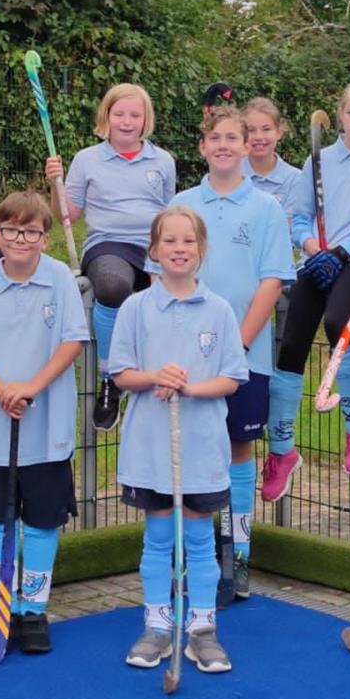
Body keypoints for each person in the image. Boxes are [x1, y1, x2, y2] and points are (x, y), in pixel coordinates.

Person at [110, 205, 249, 674]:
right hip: (150, 447)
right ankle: (156, 625)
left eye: (188, 241)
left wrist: (189, 387)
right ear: (153, 249)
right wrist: (155, 377)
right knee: (158, 537)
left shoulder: (219, 309)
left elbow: (232, 377)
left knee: (198, 537)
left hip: (202, 446)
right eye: (169, 241)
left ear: (202, 249)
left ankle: (202, 629)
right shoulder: (135, 307)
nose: (179, 249)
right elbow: (121, 373)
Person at [0, 191, 90, 653]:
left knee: (42, 520)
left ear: (45, 239)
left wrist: (31, 386)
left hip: (47, 427)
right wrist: (0, 390)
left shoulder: (60, 279)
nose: (20, 239)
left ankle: (33, 609)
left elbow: (72, 341)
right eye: (11, 230)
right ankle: (2, 606)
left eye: (31, 232)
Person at [170, 105, 290, 599]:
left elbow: (272, 280)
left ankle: (238, 554)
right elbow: (164, 278)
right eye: (214, 138)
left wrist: (238, 343)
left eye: (231, 138)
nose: (223, 145)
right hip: (187, 361)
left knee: (239, 449)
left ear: (246, 146)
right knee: (191, 450)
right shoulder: (182, 204)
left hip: (245, 356)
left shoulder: (266, 208)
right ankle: (193, 557)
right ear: (202, 147)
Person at [260, 80, 350, 501]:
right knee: (292, 344)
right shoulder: (319, 161)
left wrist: (341, 250)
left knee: (339, 323)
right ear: (340, 114)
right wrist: (311, 247)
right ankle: (282, 451)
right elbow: (299, 216)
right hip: (317, 260)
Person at [44, 82, 179, 433]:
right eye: (119, 114)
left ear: (146, 119)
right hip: (108, 244)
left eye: (135, 114)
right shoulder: (87, 159)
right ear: (106, 117)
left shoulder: (163, 161)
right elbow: (67, 214)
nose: (127, 121)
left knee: (169, 298)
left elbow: (169, 211)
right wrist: (55, 185)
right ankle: (112, 378)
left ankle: (157, 375)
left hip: (154, 246)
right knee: (112, 286)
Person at [240, 97, 301, 211]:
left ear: (279, 132)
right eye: (251, 130)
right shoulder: (230, 174)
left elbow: (289, 221)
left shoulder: (294, 180)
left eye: (266, 129)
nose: (259, 137)